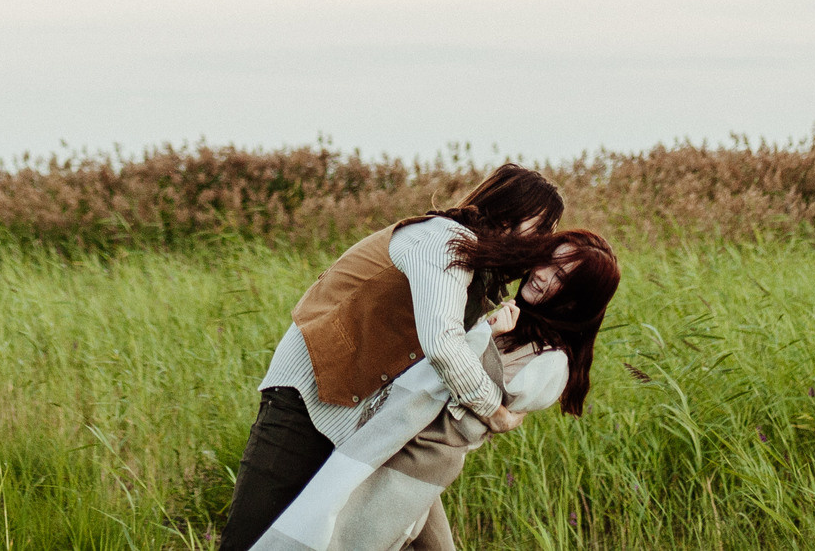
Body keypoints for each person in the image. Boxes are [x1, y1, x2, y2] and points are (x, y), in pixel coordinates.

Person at [214, 165, 565, 551]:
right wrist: (495, 412)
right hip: (307, 399)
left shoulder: (480, 274)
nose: (541, 244)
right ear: (509, 213)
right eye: (541, 228)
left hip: (371, 426)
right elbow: (443, 345)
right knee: (252, 539)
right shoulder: (442, 241)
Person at [242, 230, 622, 551]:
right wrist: (486, 339)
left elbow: (462, 392)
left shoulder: (551, 361)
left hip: (418, 460)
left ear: (577, 299)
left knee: (344, 537)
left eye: (561, 276)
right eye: (547, 263)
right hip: (395, 440)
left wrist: (484, 339)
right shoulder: (504, 315)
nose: (542, 276)